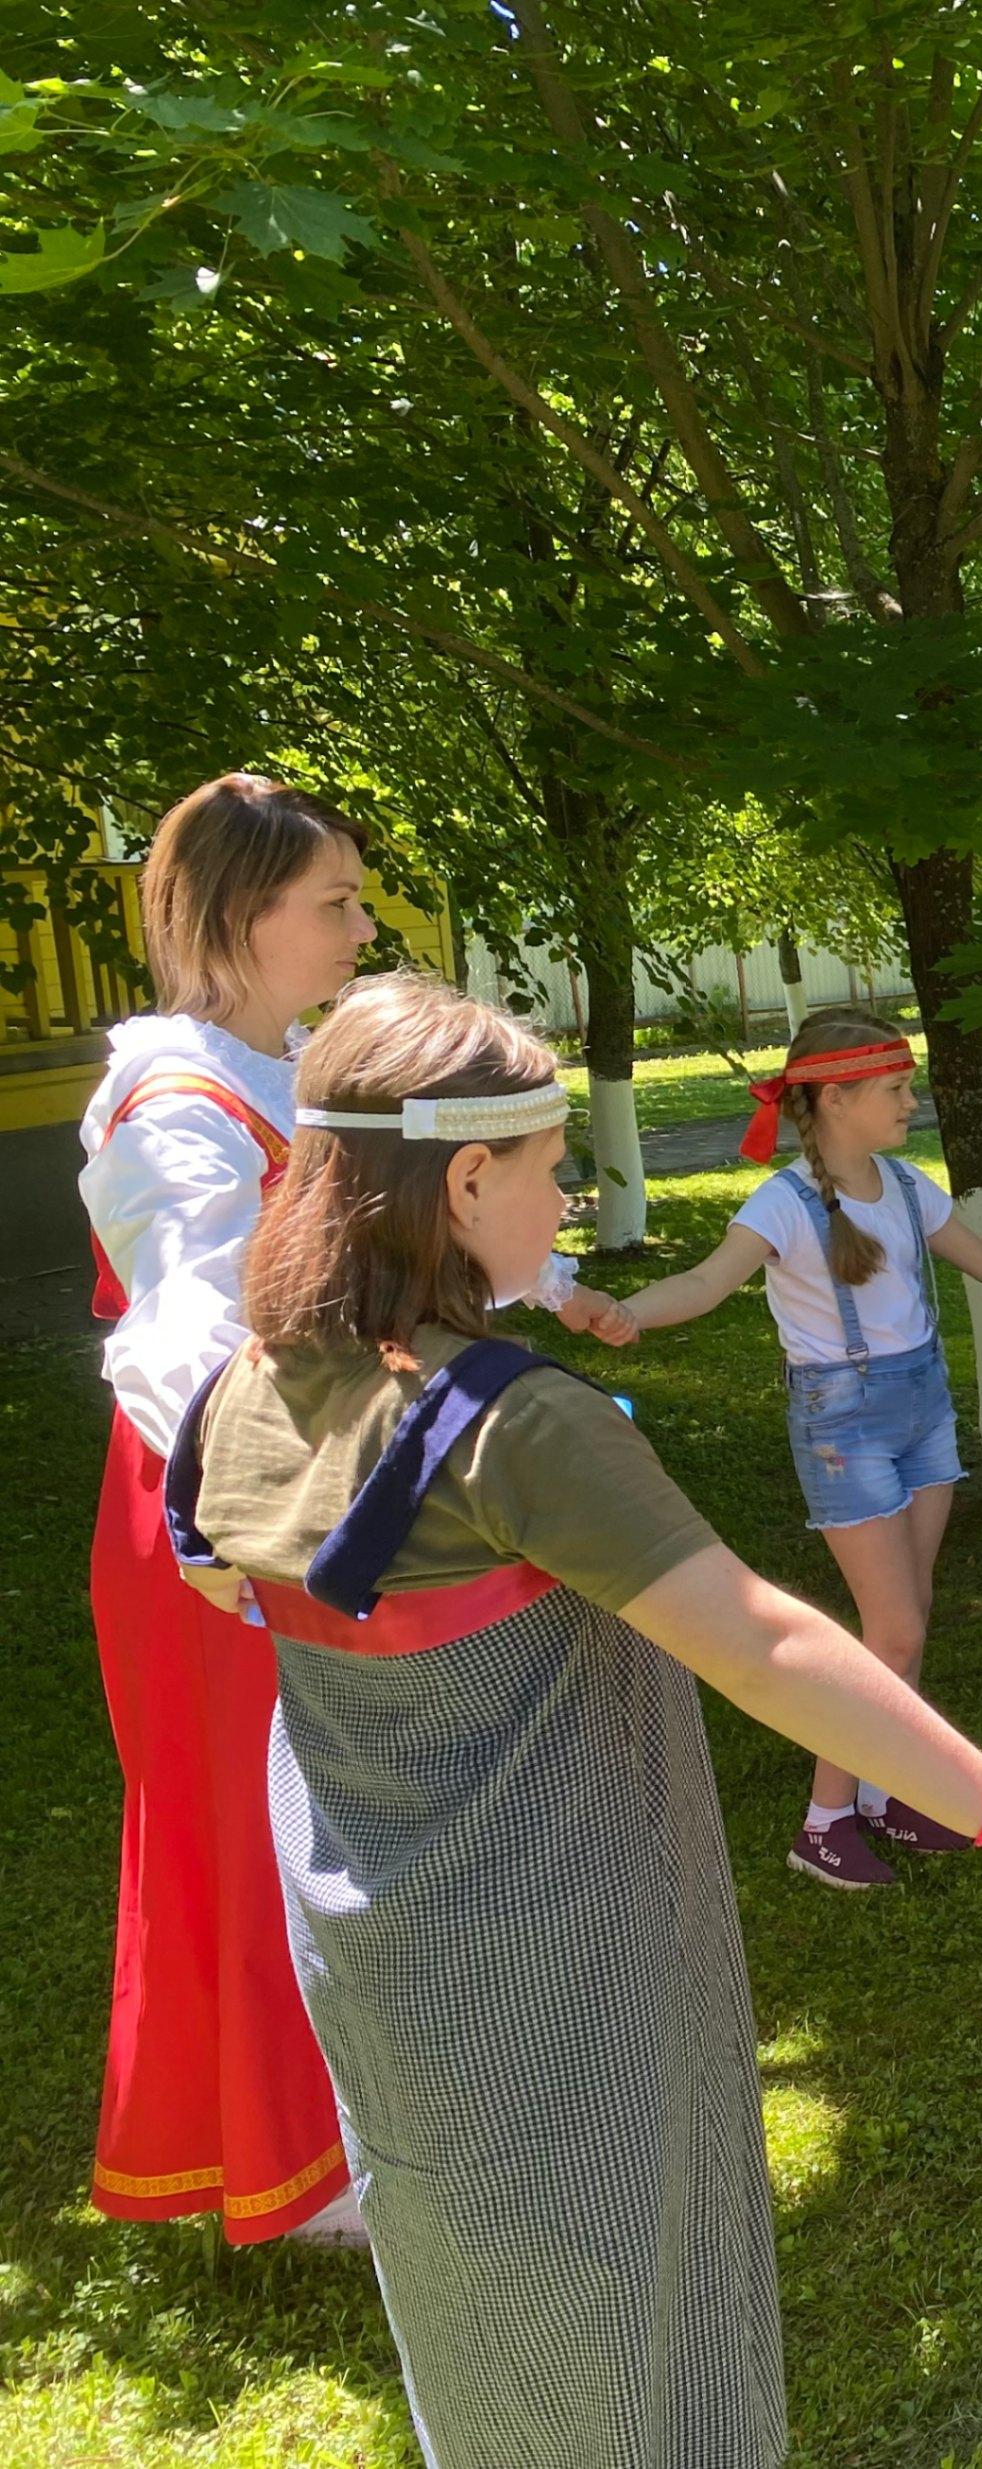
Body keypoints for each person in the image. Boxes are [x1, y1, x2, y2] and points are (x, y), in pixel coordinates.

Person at [163, 973, 982, 2468]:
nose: (573, 1195)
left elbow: (239, 1591)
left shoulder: (238, 1396)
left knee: (472, 2301)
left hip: (380, 1964)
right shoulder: (511, 1423)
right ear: (466, 1177)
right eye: (557, 1166)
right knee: (638, 2314)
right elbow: (758, 1640)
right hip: (572, 1950)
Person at [75, 773, 626, 2250]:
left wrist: (547, 1282)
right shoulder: (171, 1102)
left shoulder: (297, 1062)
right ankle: (299, 2172)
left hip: (309, 1469)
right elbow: (172, 1336)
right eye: (333, 900)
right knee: (256, 1817)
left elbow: (390, 1225)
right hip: (225, 1501)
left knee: (330, 1806)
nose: (361, 922)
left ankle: (350, 2126)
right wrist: (228, 1528)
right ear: (237, 915)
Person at [613, 1008, 982, 1889]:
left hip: (922, 1409)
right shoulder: (784, 1203)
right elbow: (702, 1282)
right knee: (892, 1631)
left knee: (907, 1621)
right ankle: (823, 1820)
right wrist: (624, 1313)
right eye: (895, 1088)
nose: (910, 1102)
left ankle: (886, 1792)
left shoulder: (905, 1185)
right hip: (843, 1426)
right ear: (837, 1097)